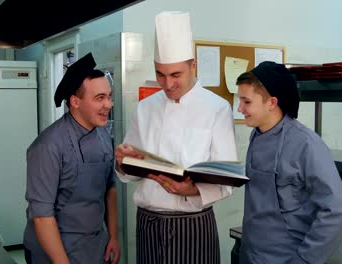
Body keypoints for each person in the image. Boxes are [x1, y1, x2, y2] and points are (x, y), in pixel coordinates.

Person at [114, 11, 238, 264]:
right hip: (147, 222)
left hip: (192, 225)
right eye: (160, 74)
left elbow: (227, 180)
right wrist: (123, 161)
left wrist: (192, 190)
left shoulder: (217, 108)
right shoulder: (145, 107)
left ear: (193, 66)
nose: (167, 84)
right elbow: (132, 172)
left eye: (176, 75)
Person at [236, 61, 342, 264]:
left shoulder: (306, 144)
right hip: (251, 253)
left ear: (271, 103)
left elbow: (337, 211)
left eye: (246, 102)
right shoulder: (257, 135)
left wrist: (305, 259)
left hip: (287, 258)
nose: (240, 108)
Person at [23, 53, 120, 264]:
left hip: (94, 246)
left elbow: (110, 188)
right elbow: (42, 216)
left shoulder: (103, 135)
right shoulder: (48, 146)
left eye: (109, 96)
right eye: (100, 98)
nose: (109, 104)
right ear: (75, 102)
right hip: (55, 250)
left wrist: (113, 235)